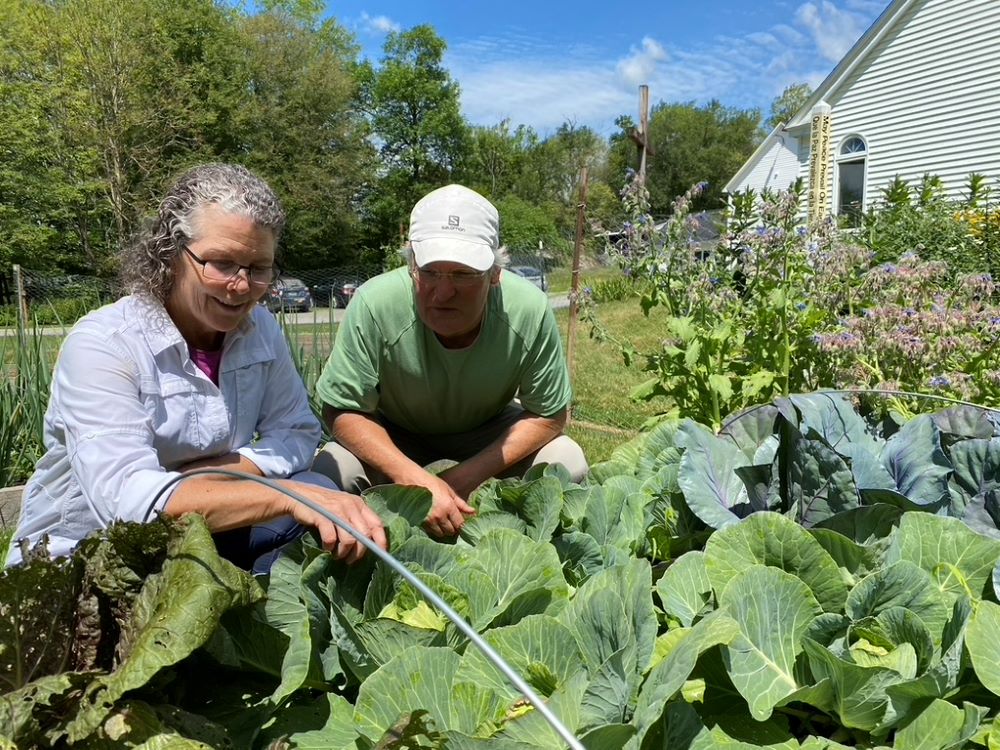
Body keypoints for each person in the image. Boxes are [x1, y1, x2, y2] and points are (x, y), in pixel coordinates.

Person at [7, 163, 386, 571]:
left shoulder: (260, 329)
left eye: (259, 268)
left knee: (319, 487)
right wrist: (288, 496)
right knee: (307, 494)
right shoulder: (105, 345)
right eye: (221, 263)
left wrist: (219, 471)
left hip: (202, 533)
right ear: (170, 254)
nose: (241, 287)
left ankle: (264, 615)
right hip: (93, 554)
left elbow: (297, 432)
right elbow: (130, 505)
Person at [313, 184, 588, 538]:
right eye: (429, 272)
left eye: (463, 274)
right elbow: (341, 409)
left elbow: (551, 414)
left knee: (567, 461)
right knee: (332, 473)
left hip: (487, 429)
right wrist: (415, 480)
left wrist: (461, 478)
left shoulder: (528, 310)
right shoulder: (374, 304)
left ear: (494, 274)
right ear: (412, 264)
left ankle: (514, 544)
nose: (443, 293)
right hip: (394, 430)